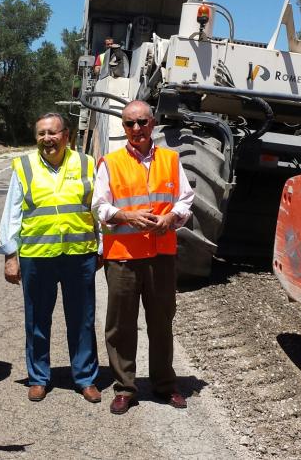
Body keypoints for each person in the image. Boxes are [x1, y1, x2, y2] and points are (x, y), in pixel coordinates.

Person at [92, 100, 194, 415]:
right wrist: (126, 216)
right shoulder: (109, 162)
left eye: (142, 122)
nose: (136, 129)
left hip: (161, 256)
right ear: (123, 128)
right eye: (129, 124)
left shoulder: (171, 159)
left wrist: (172, 218)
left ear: (153, 123)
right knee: (121, 325)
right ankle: (125, 388)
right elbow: (98, 207)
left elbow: (186, 199)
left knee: (161, 322)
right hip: (122, 257)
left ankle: (165, 385)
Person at [0, 112, 102, 403]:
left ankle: (85, 378)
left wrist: (101, 248)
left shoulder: (86, 163)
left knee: (82, 319)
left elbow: (98, 208)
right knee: (37, 320)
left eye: (52, 133)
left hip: (79, 256)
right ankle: (39, 377)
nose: (47, 139)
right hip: (37, 256)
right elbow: (12, 213)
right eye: (41, 133)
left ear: (67, 136)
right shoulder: (24, 166)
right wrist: (10, 256)